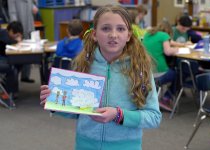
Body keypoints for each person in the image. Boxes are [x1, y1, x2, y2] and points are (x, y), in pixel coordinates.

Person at [40, 5, 161, 150]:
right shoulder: (83, 65)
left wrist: (119, 115)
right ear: (94, 34)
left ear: (129, 35)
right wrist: (56, 103)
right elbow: (78, 113)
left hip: (126, 146)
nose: (113, 35)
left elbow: (154, 117)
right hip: (86, 144)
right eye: (106, 28)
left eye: (120, 29)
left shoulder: (140, 69)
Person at [142, 20, 179, 111]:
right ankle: (166, 98)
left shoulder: (148, 34)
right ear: (168, 31)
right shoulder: (164, 35)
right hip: (159, 71)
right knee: (178, 74)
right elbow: (168, 51)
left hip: (145, 71)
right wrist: (176, 50)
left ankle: (157, 91)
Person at [7, 0, 38, 83]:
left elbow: (33, 3)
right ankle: (14, 79)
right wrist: (16, 29)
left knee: (30, 48)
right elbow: (12, 12)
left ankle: (25, 76)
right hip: (18, 26)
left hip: (29, 24)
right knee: (18, 50)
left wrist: (33, 6)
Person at [0, 21, 23, 98]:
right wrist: (17, 40)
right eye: (15, 34)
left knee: (18, 64)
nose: (15, 36)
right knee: (11, 68)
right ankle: (8, 92)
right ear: (10, 30)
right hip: (1, 58)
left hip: (5, 57)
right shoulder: (3, 32)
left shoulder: (7, 34)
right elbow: (8, 42)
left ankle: (12, 89)